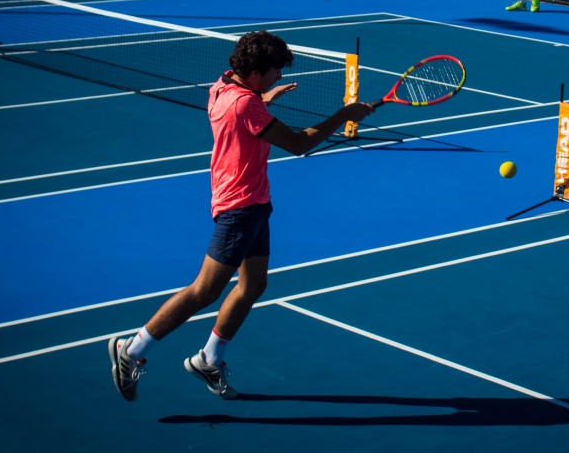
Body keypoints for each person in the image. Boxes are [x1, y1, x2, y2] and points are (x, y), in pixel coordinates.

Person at [108, 31, 374, 402]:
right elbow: (298, 145)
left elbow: (246, 109)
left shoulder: (223, 86)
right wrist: (345, 114)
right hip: (239, 206)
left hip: (255, 202)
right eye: (275, 72)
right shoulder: (246, 106)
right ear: (254, 74)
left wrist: (263, 99)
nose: (279, 77)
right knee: (205, 291)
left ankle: (209, 358)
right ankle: (131, 350)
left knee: (252, 285)